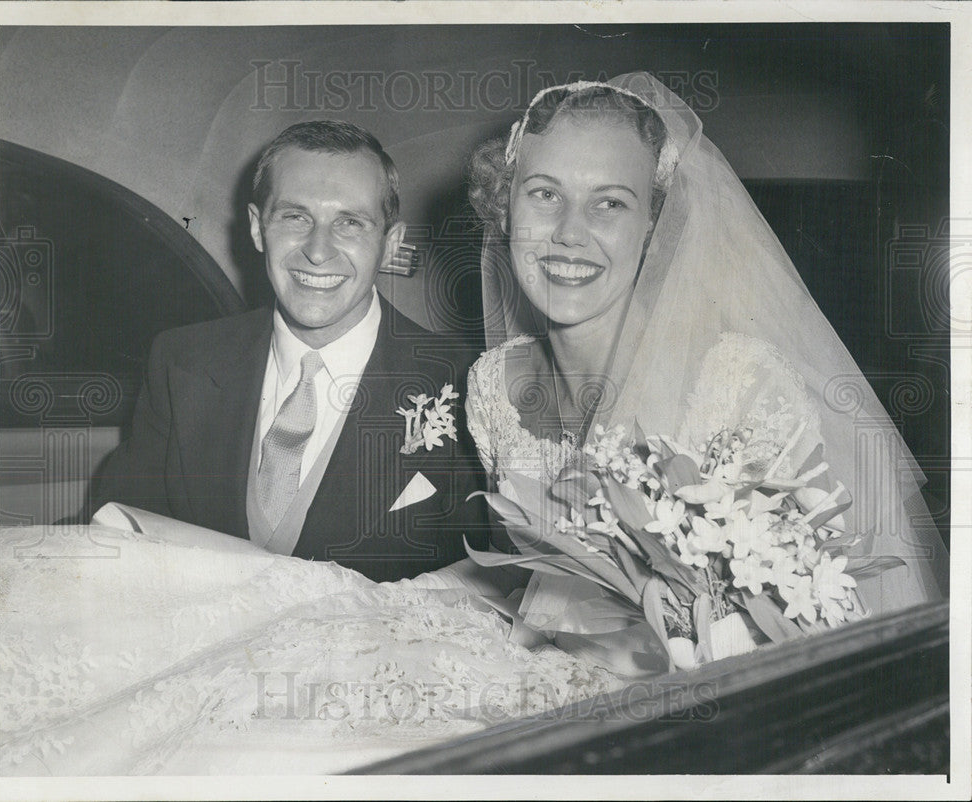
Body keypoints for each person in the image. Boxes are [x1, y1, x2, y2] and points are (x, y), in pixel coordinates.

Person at [461, 72, 949, 625]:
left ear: (655, 225)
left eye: (611, 203)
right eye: (545, 194)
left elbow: (821, 612)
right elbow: (534, 582)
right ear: (503, 209)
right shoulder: (492, 384)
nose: (571, 232)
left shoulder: (740, 385)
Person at [93, 120, 490, 583]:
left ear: (390, 245)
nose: (318, 251)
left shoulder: (466, 384)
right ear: (259, 229)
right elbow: (121, 531)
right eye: (295, 217)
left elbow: (492, 584)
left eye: (350, 223)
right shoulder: (182, 361)